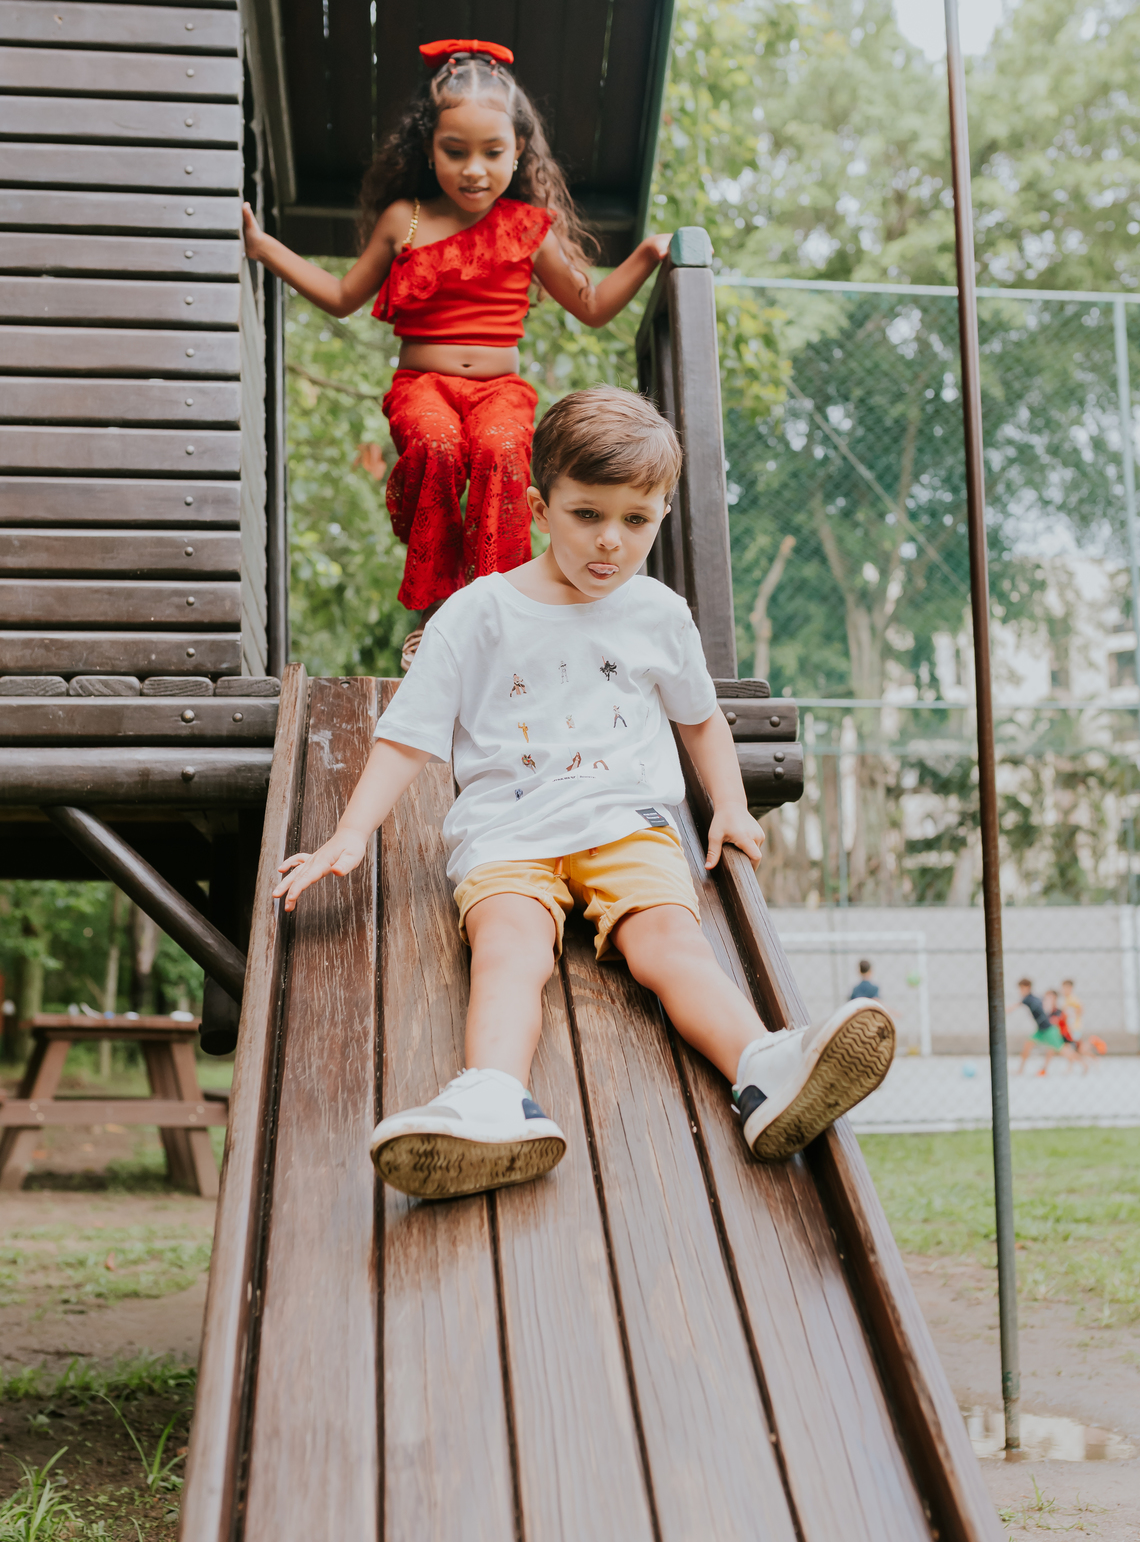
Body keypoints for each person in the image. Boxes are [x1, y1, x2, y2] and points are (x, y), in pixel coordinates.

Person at [275, 388, 897, 1200]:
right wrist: (351, 834)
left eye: (636, 521)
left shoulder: (657, 614)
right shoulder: (478, 614)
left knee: (669, 944)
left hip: (623, 820)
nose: (610, 542)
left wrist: (734, 806)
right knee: (510, 951)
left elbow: (701, 720)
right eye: (586, 515)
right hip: (508, 833)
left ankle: (764, 1068)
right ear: (539, 507)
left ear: (662, 514)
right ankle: (493, 1099)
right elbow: (407, 736)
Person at [243, 38, 672, 670]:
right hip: (424, 385)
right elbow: (340, 296)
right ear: (428, 149)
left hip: (501, 391)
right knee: (438, 446)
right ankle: (438, 612)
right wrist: (264, 247)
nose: (475, 169)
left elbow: (591, 306)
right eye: (456, 151)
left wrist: (645, 255)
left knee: (502, 454)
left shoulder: (529, 226)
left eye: (493, 152)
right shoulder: (406, 219)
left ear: (518, 150)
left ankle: (497, 609)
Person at [1008, 977, 1067, 1074]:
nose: (1020, 991)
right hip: (1041, 1029)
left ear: (1027, 987)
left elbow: (1014, 1007)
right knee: (1028, 1045)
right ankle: (1020, 1070)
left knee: (1062, 1050)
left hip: (1048, 1029)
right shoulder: (1035, 997)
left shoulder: (1028, 998)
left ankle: (1082, 1062)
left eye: (1021, 988)